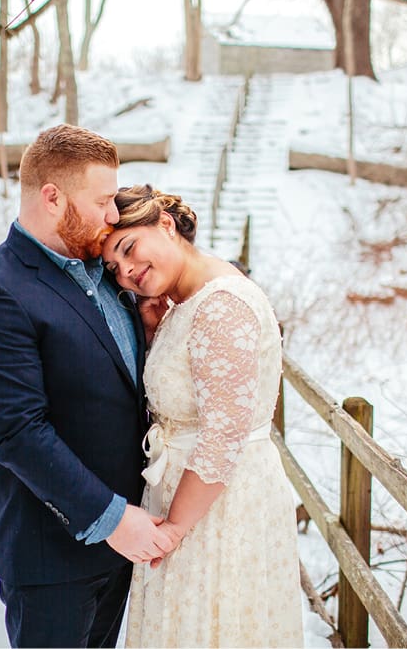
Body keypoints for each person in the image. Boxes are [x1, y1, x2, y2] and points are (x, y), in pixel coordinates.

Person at [0, 127, 176, 648]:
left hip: (123, 546)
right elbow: (18, 433)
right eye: (101, 201)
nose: (113, 215)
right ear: (52, 197)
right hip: (52, 557)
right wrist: (114, 521)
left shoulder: (109, 272)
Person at [103, 184, 305, 647]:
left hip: (218, 510)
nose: (126, 271)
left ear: (165, 224)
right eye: (113, 268)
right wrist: (152, 333)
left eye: (129, 248)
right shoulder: (187, 302)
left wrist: (174, 529)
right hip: (188, 502)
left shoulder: (221, 305)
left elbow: (223, 436)